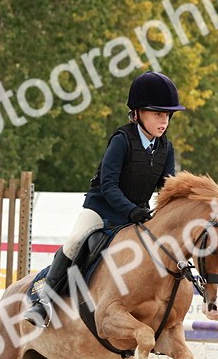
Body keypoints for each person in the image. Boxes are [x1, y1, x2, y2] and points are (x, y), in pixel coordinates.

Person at [23, 71, 184, 326]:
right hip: (102, 209)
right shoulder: (122, 140)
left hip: (136, 215)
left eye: (167, 115)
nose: (164, 121)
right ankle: (42, 301)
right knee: (75, 240)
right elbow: (108, 185)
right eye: (157, 114)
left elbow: (167, 186)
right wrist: (131, 210)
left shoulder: (166, 148)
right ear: (137, 113)